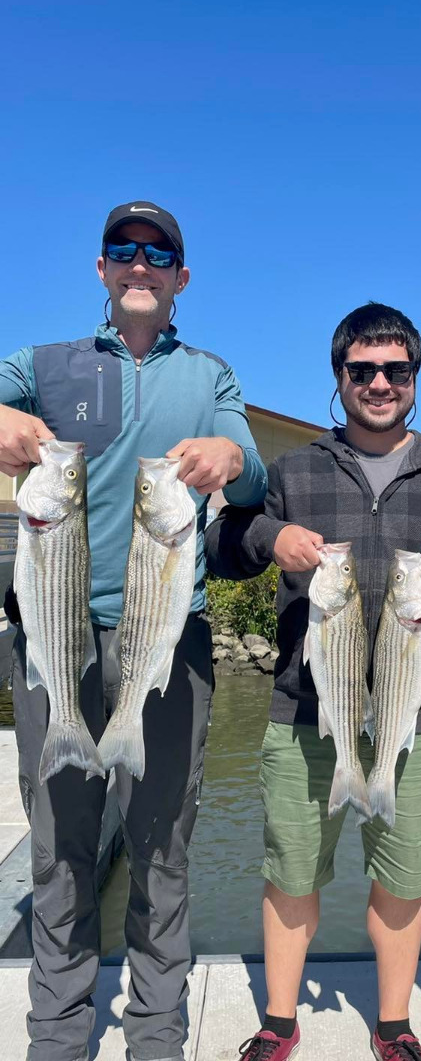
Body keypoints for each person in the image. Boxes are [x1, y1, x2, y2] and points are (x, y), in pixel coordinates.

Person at [205, 301, 421, 1061]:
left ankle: (393, 1023)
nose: (379, 383)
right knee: (290, 871)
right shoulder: (295, 470)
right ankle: (279, 1021)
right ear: (339, 376)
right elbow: (224, 543)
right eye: (363, 370)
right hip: (301, 712)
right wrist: (268, 534)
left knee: (403, 878)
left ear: (415, 377)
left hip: (413, 721)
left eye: (396, 370)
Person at [0, 201, 267, 1061]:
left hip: (167, 644)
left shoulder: (211, 375)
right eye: (125, 250)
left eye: (159, 253)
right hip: (55, 629)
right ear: (103, 270)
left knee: (161, 847)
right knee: (59, 848)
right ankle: (58, 1036)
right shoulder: (45, 363)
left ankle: (155, 1034)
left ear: (181, 277)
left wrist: (232, 459)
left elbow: (249, 464)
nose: (140, 263)